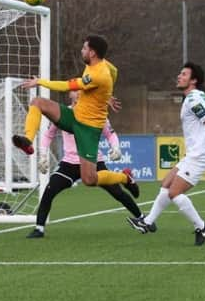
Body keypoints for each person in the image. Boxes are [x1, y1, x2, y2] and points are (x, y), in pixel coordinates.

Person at [127, 62, 205, 246]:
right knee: (166, 183)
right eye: (180, 74)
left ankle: (201, 226)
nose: (179, 76)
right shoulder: (204, 97)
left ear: (194, 80)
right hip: (194, 154)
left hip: (200, 155)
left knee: (174, 193)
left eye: (183, 74)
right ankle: (148, 222)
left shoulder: (193, 99)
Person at [12, 34, 139, 198]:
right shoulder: (104, 66)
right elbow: (115, 72)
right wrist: (105, 94)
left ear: (92, 53)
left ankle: (125, 177)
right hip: (74, 116)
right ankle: (28, 141)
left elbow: (66, 86)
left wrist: (40, 82)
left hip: (88, 129)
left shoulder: (98, 74)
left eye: (84, 48)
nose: (81, 50)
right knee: (37, 102)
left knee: (89, 179)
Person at [26, 91, 145, 238]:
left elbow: (110, 134)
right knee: (50, 190)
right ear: (70, 96)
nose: (78, 96)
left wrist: (116, 148)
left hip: (93, 161)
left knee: (117, 193)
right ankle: (39, 229)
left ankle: (141, 217)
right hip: (69, 163)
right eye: (75, 94)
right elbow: (48, 135)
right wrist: (43, 155)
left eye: (82, 93)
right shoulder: (63, 114)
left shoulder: (95, 114)